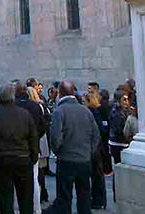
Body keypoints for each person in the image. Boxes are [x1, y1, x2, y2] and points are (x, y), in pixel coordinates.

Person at [0, 85, 39, 214]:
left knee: (5, 200)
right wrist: (33, 157)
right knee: (25, 199)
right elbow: (33, 137)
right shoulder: (25, 114)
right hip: (22, 158)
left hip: (1, 160)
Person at [43, 81, 99, 214]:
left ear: (60, 93)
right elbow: (96, 135)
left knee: (64, 197)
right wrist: (88, 152)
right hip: (84, 160)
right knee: (84, 196)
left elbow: (56, 137)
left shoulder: (59, 111)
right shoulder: (86, 111)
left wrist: (58, 151)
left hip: (66, 160)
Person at [85, 90, 107, 210]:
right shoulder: (94, 111)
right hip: (97, 146)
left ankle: (98, 200)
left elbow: (99, 130)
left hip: (95, 148)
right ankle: (99, 200)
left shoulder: (92, 112)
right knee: (97, 175)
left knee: (96, 175)